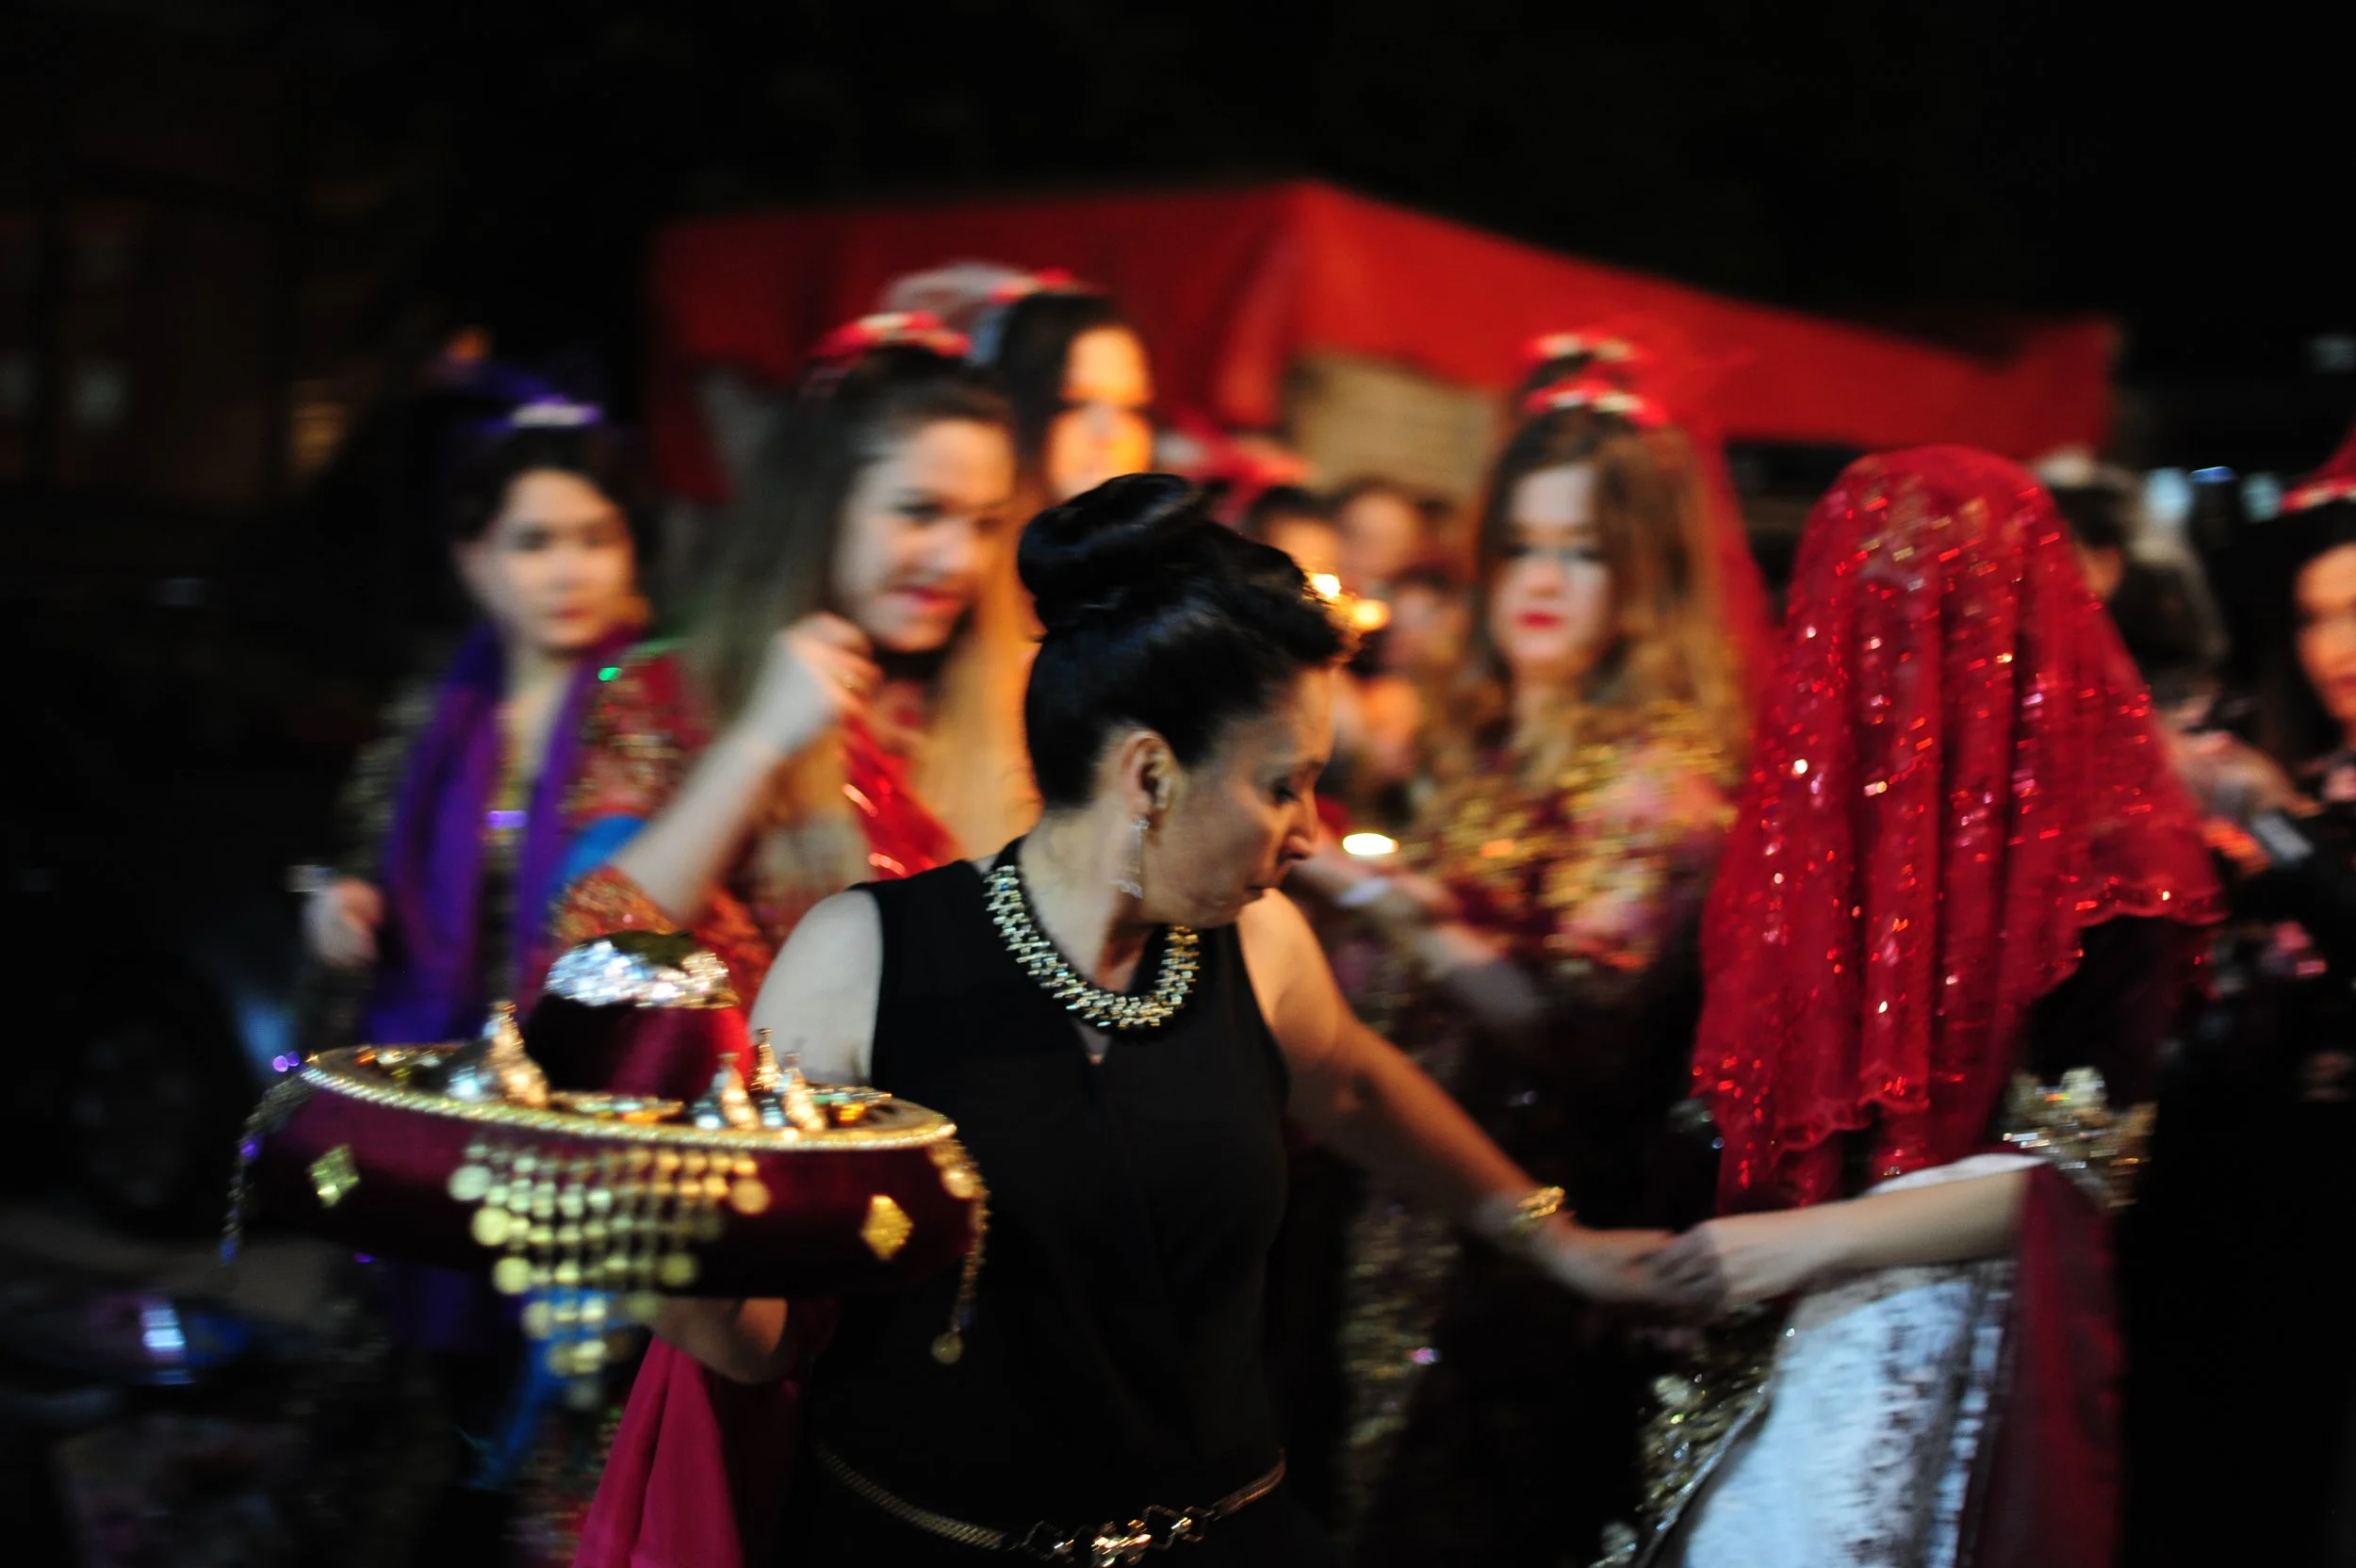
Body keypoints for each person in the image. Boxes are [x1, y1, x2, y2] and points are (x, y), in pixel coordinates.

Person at [646, 474, 1697, 1564]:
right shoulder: (862, 959)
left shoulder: (1261, 944)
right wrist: (659, 1266)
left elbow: (1356, 1085)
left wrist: (1555, 1240)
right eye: (1282, 785)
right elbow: (762, 1336)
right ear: (1148, 770)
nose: (1304, 833)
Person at [1619, 447, 2222, 1568]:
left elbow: (2079, 1170)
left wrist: (1798, 1244)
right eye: (1868, 605)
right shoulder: (1802, 837)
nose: (1898, 651)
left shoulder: (2108, 871)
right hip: (1745, 1320)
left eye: (1945, 609)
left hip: (1950, 1338)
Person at [1290, 372, 1767, 1560]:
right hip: (1397, 1217)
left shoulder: (1665, 774)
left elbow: (1583, 1032)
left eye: (1584, 551)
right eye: (1521, 544)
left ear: (1645, 572)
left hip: (1534, 1257)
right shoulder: (1483, 743)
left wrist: (1388, 911)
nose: (1543, 580)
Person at [549, 314, 1032, 994]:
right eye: (920, 512)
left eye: (985, 524)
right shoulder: (664, 692)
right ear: (821, 505)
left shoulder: (1012, 707)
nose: (959, 560)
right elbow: (593, 951)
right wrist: (759, 744)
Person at [304, 401, 646, 1043]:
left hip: (598, 1061)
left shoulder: (659, 703)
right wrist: (344, 904)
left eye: (597, 538)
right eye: (534, 542)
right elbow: (363, 861)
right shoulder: (435, 711)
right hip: (434, 1059)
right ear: (474, 558)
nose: (571, 573)